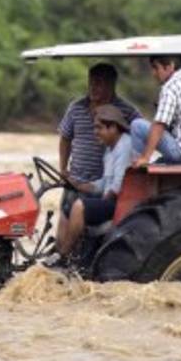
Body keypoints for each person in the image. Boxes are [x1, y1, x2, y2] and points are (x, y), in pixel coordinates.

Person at [55, 104, 134, 258]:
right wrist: (79, 185)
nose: (95, 133)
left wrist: (97, 199)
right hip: (111, 198)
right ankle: (62, 251)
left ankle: (65, 256)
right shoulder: (110, 149)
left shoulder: (125, 145)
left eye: (99, 128)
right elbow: (104, 183)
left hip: (121, 203)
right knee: (68, 206)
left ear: (113, 127)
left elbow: (117, 186)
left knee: (80, 206)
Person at [57, 62, 140, 186]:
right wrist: (63, 169)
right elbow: (65, 138)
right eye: (91, 83)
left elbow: (141, 137)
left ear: (111, 85)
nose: (93, 87)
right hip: (75, 181)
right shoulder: (76, 107)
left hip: (106, 183)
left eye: (99, 83)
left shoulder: (126, 111)